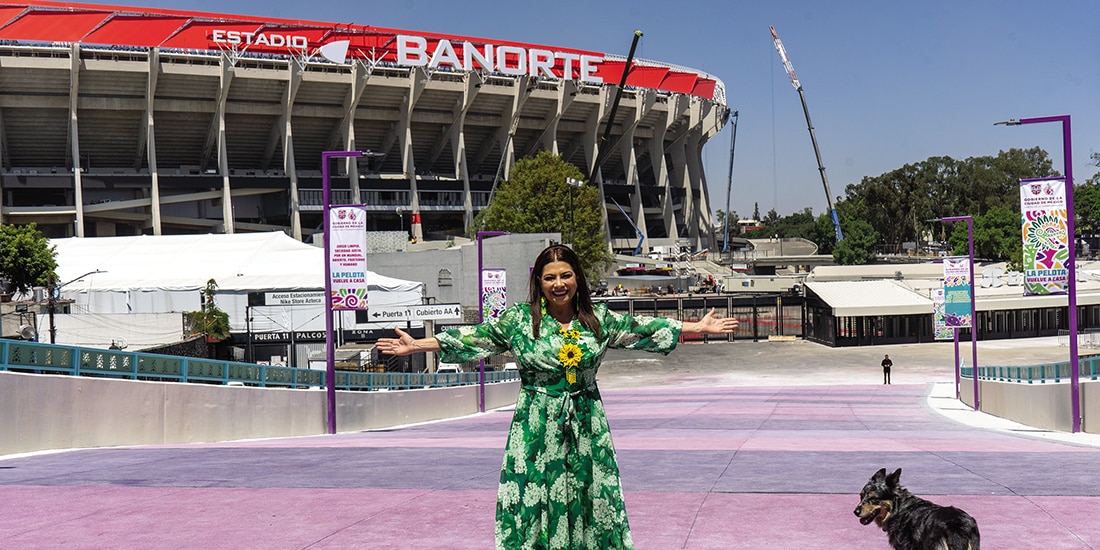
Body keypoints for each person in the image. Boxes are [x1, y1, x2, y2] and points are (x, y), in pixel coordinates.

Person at [375, 244, 738, 549]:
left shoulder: (597, 320)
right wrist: (420, 344)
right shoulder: (520, 320)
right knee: (534, 492)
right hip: (536, 423)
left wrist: (697, 326)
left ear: (577, 279)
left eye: (565, 275)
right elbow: (475, 337)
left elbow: (643, 329)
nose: (558, 284)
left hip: (587, 420)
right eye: (550, 277)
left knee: (590, 491)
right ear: (539, 282)